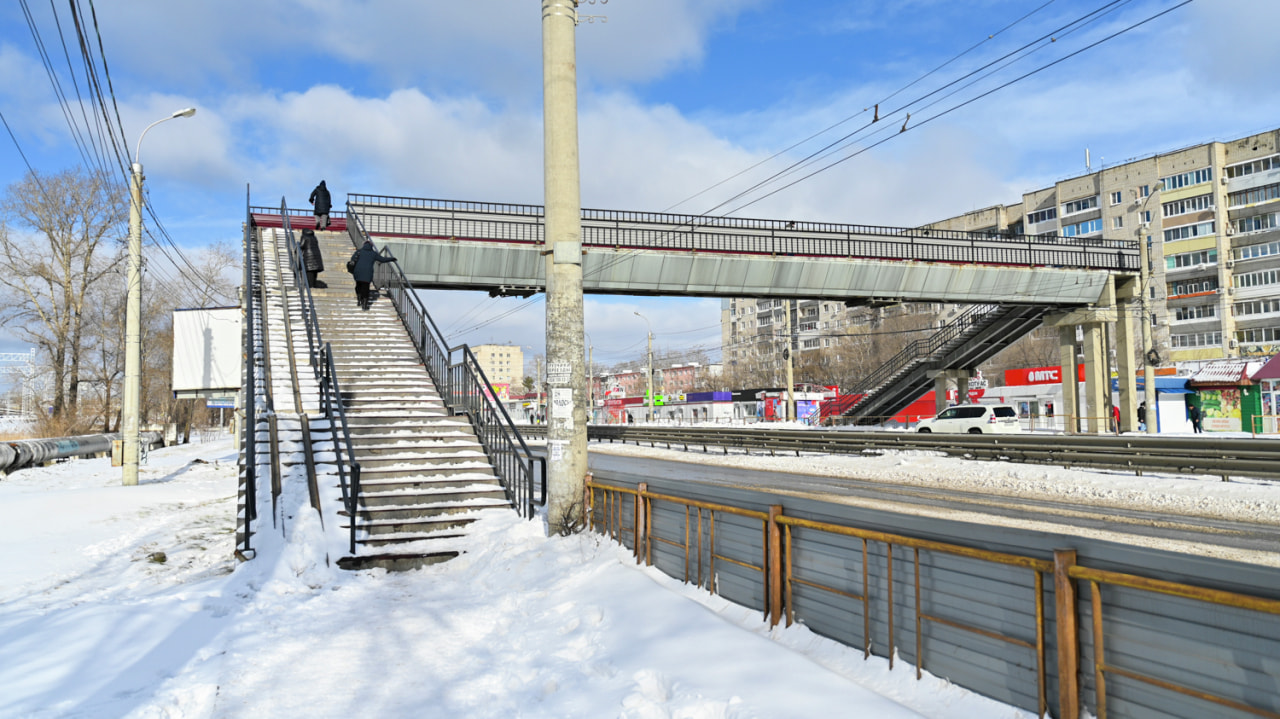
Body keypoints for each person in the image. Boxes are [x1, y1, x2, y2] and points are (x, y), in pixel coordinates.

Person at [348, 239, 395, 310]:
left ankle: (359, 299)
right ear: (371, 246)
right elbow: (382, 259)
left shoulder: (359, 252)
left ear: (364, 245)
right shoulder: (374, 253)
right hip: (367, 273)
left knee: (358, 286)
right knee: (366, 288)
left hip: (358, 272)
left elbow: (352, 259)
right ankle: (365, 304)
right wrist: (391, 259)